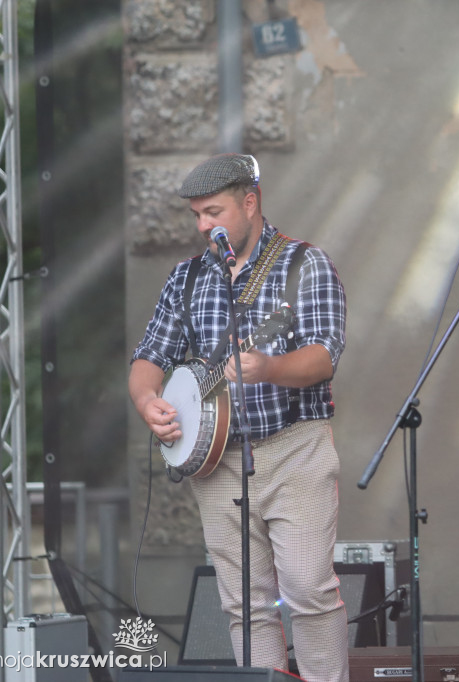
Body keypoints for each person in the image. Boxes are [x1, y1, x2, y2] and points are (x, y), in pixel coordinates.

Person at [128, 153, 349, 681]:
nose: (204, 226)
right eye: (197, 216)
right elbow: (148, 358)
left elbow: (323, 356)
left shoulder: (303, 264)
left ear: (250, 203)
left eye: (214, 211)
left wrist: (267, 365)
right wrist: (147, 402)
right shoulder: (186, 279)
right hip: (216, 460)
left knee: (308, 590)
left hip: (295, 446)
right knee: (242, 602)